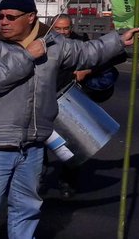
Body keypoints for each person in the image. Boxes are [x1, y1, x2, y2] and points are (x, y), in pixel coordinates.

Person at [0, 0, 138, 239]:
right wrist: (28, 56)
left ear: (30, 18)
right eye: (0, 17)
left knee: (27, 208)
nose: (3, 22)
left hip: (34, 144)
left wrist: (119, 40)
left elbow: (87, 52)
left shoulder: (52, 44)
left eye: (10, 17)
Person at [46, 14, 122, 198]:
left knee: (72, 145)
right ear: (51, 28)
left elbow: (104, 57)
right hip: (45, 101)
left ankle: (68, 183)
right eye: (59, 29)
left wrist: (87, 70)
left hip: (70, 101)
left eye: (66, 28)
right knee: (38, 146)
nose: (63, 32)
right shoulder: (44, 44)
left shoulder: (80, 42)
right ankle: (36, 181)